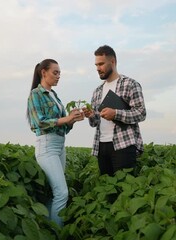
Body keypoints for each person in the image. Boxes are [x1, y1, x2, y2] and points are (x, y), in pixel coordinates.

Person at [27, 58, 83, 226]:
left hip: (59, 145)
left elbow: (63, 127)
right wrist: (66, 118)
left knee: (56, 193)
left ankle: (47, 228)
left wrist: (72, 120)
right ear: (44, 72)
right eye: (55, 72)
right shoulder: (36, 94)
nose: (59, 76)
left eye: (60, 73)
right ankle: (57, 233)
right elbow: (39, 122)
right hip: (47, 145)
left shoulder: (54, 95)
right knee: (62, 193)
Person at [83, 45, 146, 176]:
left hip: (123, 144)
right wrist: (90, 115)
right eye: (96, 65)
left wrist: (115, 113)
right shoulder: (97, 91)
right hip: (101, 146)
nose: (98, 68)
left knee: (124, 190)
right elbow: (95, 123)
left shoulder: (130, 84)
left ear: (113, 62)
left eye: (101, 64)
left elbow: (141, 113)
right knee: (108, 189)